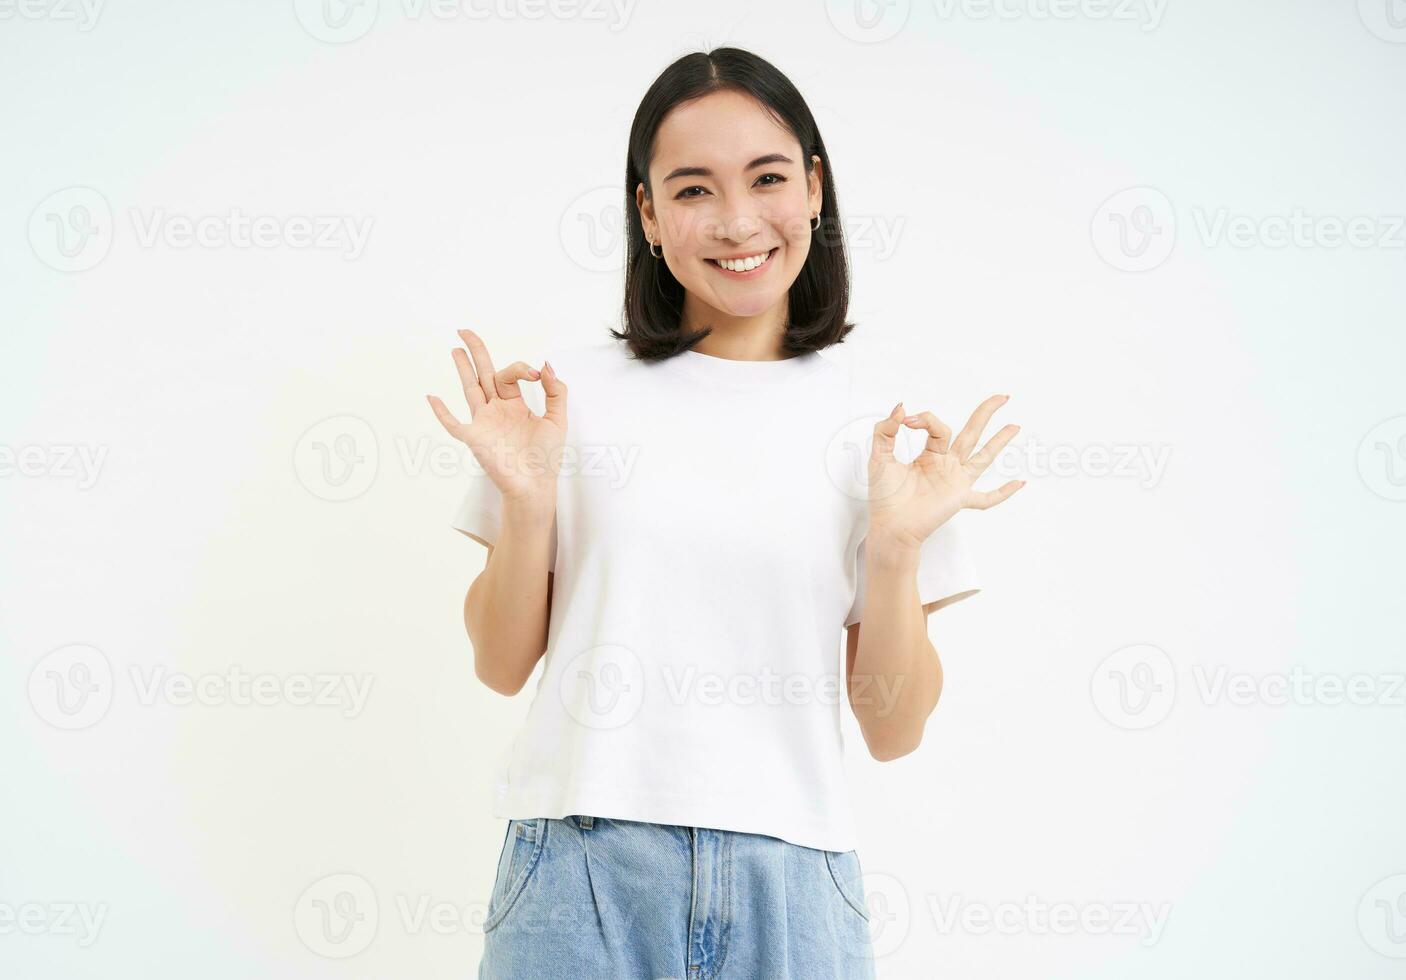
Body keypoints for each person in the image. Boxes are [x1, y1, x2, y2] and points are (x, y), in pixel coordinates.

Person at [426, 46, 1023, 980]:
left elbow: (893, 728)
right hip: (578, 873)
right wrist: (530, 507)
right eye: (694, 189)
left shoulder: (877, 432)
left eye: (769, 178)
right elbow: (501, 665)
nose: (739, 221)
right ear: (649, 216)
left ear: (815, 190)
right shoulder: (565, 398)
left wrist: (898, 549)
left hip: (793, 881)